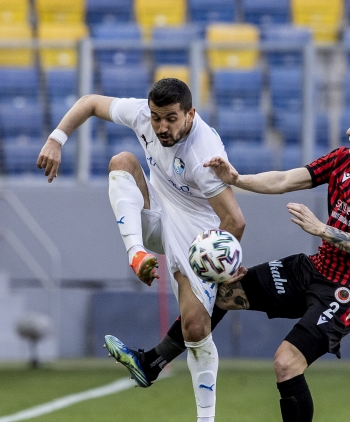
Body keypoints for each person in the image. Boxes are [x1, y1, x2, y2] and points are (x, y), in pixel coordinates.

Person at [111, 91, 350, 422]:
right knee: (220, 293)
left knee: (286, 363)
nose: (349, 131)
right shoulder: (343, 159)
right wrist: (237, 179)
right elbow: (285, 179)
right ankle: (152, 362)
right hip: (314, 269)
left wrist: (322, 229)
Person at [36, 78, 246, 422]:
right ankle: (136, 253)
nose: (161, 127)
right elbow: (89, 101)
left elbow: (235, 221)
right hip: (156, 217)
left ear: (190, 114)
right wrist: (56, 139)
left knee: (195, 328)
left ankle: (205, 419)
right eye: (156, 117)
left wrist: (219, 266)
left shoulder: (204, 153)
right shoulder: (141, 116)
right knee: (122, 161)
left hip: (197, 239)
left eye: (171, 119)